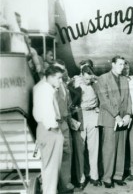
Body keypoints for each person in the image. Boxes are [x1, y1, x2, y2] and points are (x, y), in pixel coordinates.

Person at [97, 56, 132, 188]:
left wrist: (128, 114)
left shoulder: (124, 80)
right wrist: (116, 116)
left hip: (123, 119)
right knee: (109, 149)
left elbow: (128, 98)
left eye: (123, 65)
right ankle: (107, 178)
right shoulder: (103, 78)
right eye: (119, 64)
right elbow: (104, 100)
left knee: (121, 149)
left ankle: (118, 175)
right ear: (113, 64)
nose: (121, 67)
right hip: (110, 119)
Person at [32, 65, 65, 194]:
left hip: (44, 129)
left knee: (48, 168)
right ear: (50, 77)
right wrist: (56, 128)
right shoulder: (46, 90)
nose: (60, 81)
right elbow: (48, 114)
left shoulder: (40, 87)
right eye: (59, 78)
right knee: (51, 168)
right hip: (50, 130)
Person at [74, 65, 102, 187]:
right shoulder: (75, 84)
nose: (87, 81)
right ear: (81, 75)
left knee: (93, 147)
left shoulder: (95, 84)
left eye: (89, 79)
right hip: (80, 115)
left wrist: (98, 108)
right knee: (80, 149)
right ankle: (81, 178)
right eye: (85, 79)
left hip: (93, 115)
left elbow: (103, 97)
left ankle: (94, 176)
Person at [53, 60, 75, 193]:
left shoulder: (63, 85)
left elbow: (67, 103)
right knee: (56, 157)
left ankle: (66, 185)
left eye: (63, 69)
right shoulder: (48, 86)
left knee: (67, 154)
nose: (62, 72)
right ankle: (55, 187)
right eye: (59, 69)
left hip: (64, 122)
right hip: (54, 125)